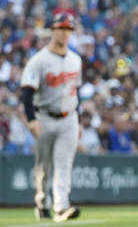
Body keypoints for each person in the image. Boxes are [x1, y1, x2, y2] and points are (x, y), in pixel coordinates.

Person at [20, 13, 82, 222]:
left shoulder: (76, 60)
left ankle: (61, 207)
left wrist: (78, 118)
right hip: (44, 116)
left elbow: (76, 91)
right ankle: (41, 202)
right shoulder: (39, 60)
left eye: (68, 29)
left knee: (64, 164)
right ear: (52, 30)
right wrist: (31, 119)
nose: (65, 33)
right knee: (43, 166)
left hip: (69, 118)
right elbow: (27, 91)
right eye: (61, 28)